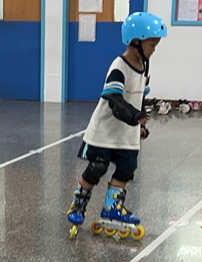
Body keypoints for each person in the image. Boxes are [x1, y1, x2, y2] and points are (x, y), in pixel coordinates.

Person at [66, 11, 166, 241]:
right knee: (97, 168)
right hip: (105, 130)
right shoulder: (119, 66)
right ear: (136, 41)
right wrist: (134, 116)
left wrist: (139, 124)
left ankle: (112, 207)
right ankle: (78, 203)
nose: (154, 49)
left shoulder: (143, 66)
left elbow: (139, 95)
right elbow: (114, 99)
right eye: (152, 44)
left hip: (127, 132)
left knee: (127, 168)